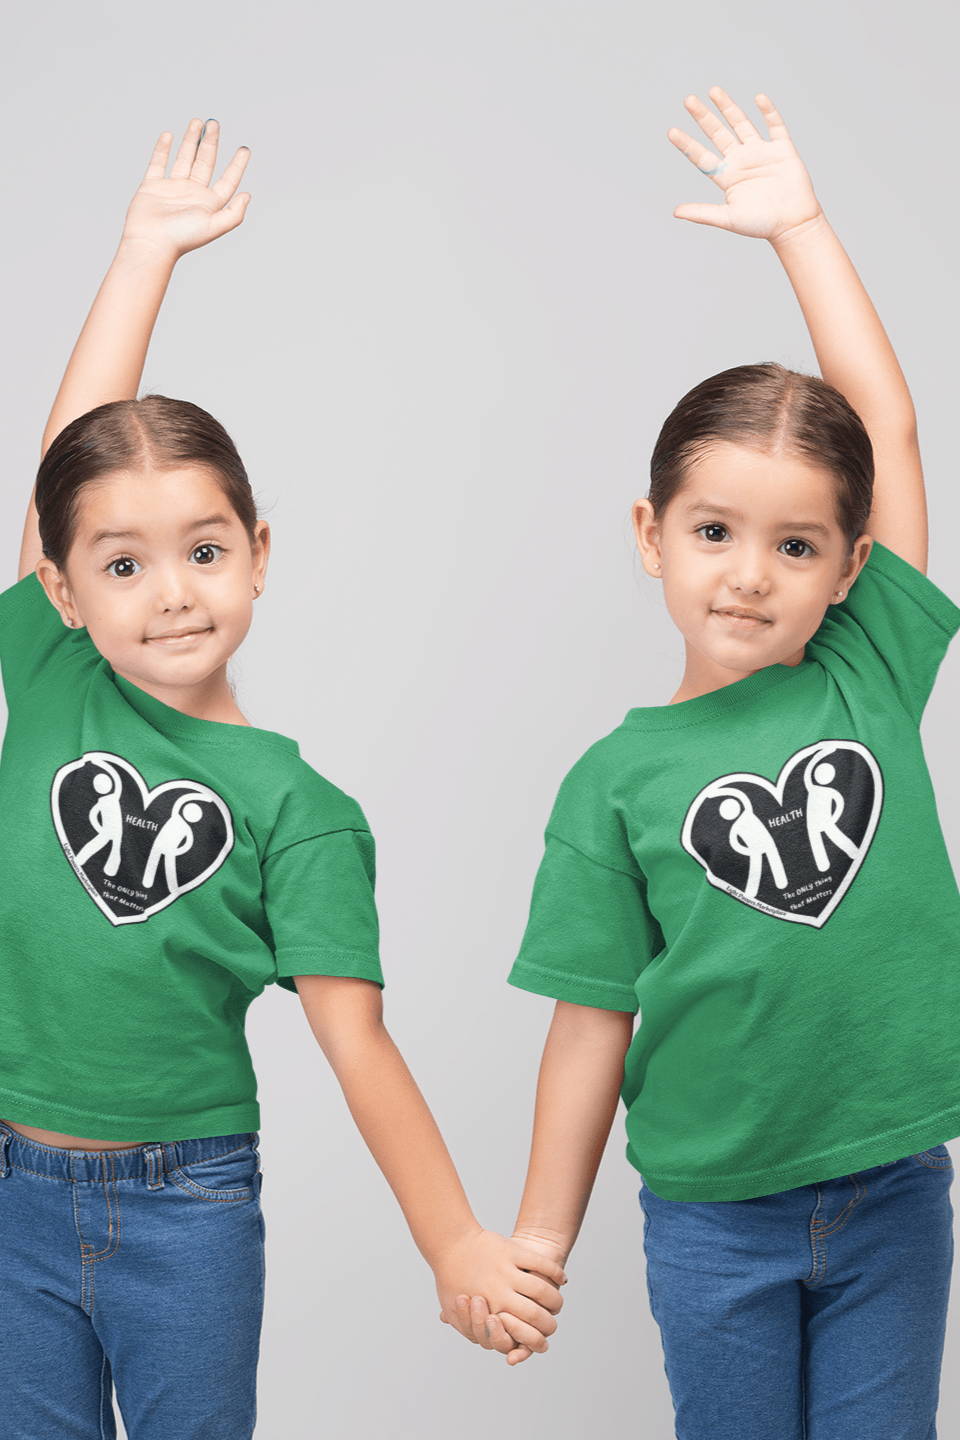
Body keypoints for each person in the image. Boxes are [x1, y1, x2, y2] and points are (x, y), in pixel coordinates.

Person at [0, 119, 563, 1440]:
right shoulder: (54, 681)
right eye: (123, 564)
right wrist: (146, 254)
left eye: (203, 548)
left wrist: (453, 1242)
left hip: (186, 1206)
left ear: (259, 551)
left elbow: (355, 1041)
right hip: (15, 1186)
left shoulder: (303, 813)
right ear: (63, 589)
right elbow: (61, 464)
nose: (172, 591)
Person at [459, 89, 960, 1437]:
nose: (751, 575)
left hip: (896, 1194)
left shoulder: (870, 672)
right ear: (652, 532)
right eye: (716, 532)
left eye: (797, 546)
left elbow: (892, 430)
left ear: (854, 566)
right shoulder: (614, 783)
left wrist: (799, 229)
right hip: (713, 1220)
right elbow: (587, 1028)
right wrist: (539, 1241)